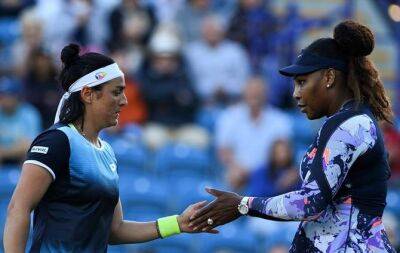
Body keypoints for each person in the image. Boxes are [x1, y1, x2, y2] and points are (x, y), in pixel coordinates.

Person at [188, 20, 397, 252]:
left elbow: (310, 203)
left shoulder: (350, 125)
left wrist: (242, 204)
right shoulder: (346, 121)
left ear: (329, 77)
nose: (296, 94)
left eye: (302, 82)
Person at [3, 44, 214, 253]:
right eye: (116, 92)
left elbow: (115, 230)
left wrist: (178, 224)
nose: (124, 101)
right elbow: (18, 209)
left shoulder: (107, 152)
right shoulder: (56, 141)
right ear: (88, 94)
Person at [215, 77, 292, 190]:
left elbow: (283, 153)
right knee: (231, 178)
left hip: (269, 174)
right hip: (237, 173)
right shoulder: (229, 116)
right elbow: (223, 150)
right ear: (243, 93)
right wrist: (235, 167)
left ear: (266, 94)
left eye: (258, 92)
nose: (254, 95)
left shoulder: (280, 120)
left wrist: (259, 173)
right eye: (251, 91)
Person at [0, 76, 41, 167]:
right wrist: (17, 147)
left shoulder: (29, 113)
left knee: (30, 155)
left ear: (17, 96)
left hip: (21, 161)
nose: (5, 99)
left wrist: (6, 151)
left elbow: (32, 145)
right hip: (2, 161)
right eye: (2, 95)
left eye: (9, 95)